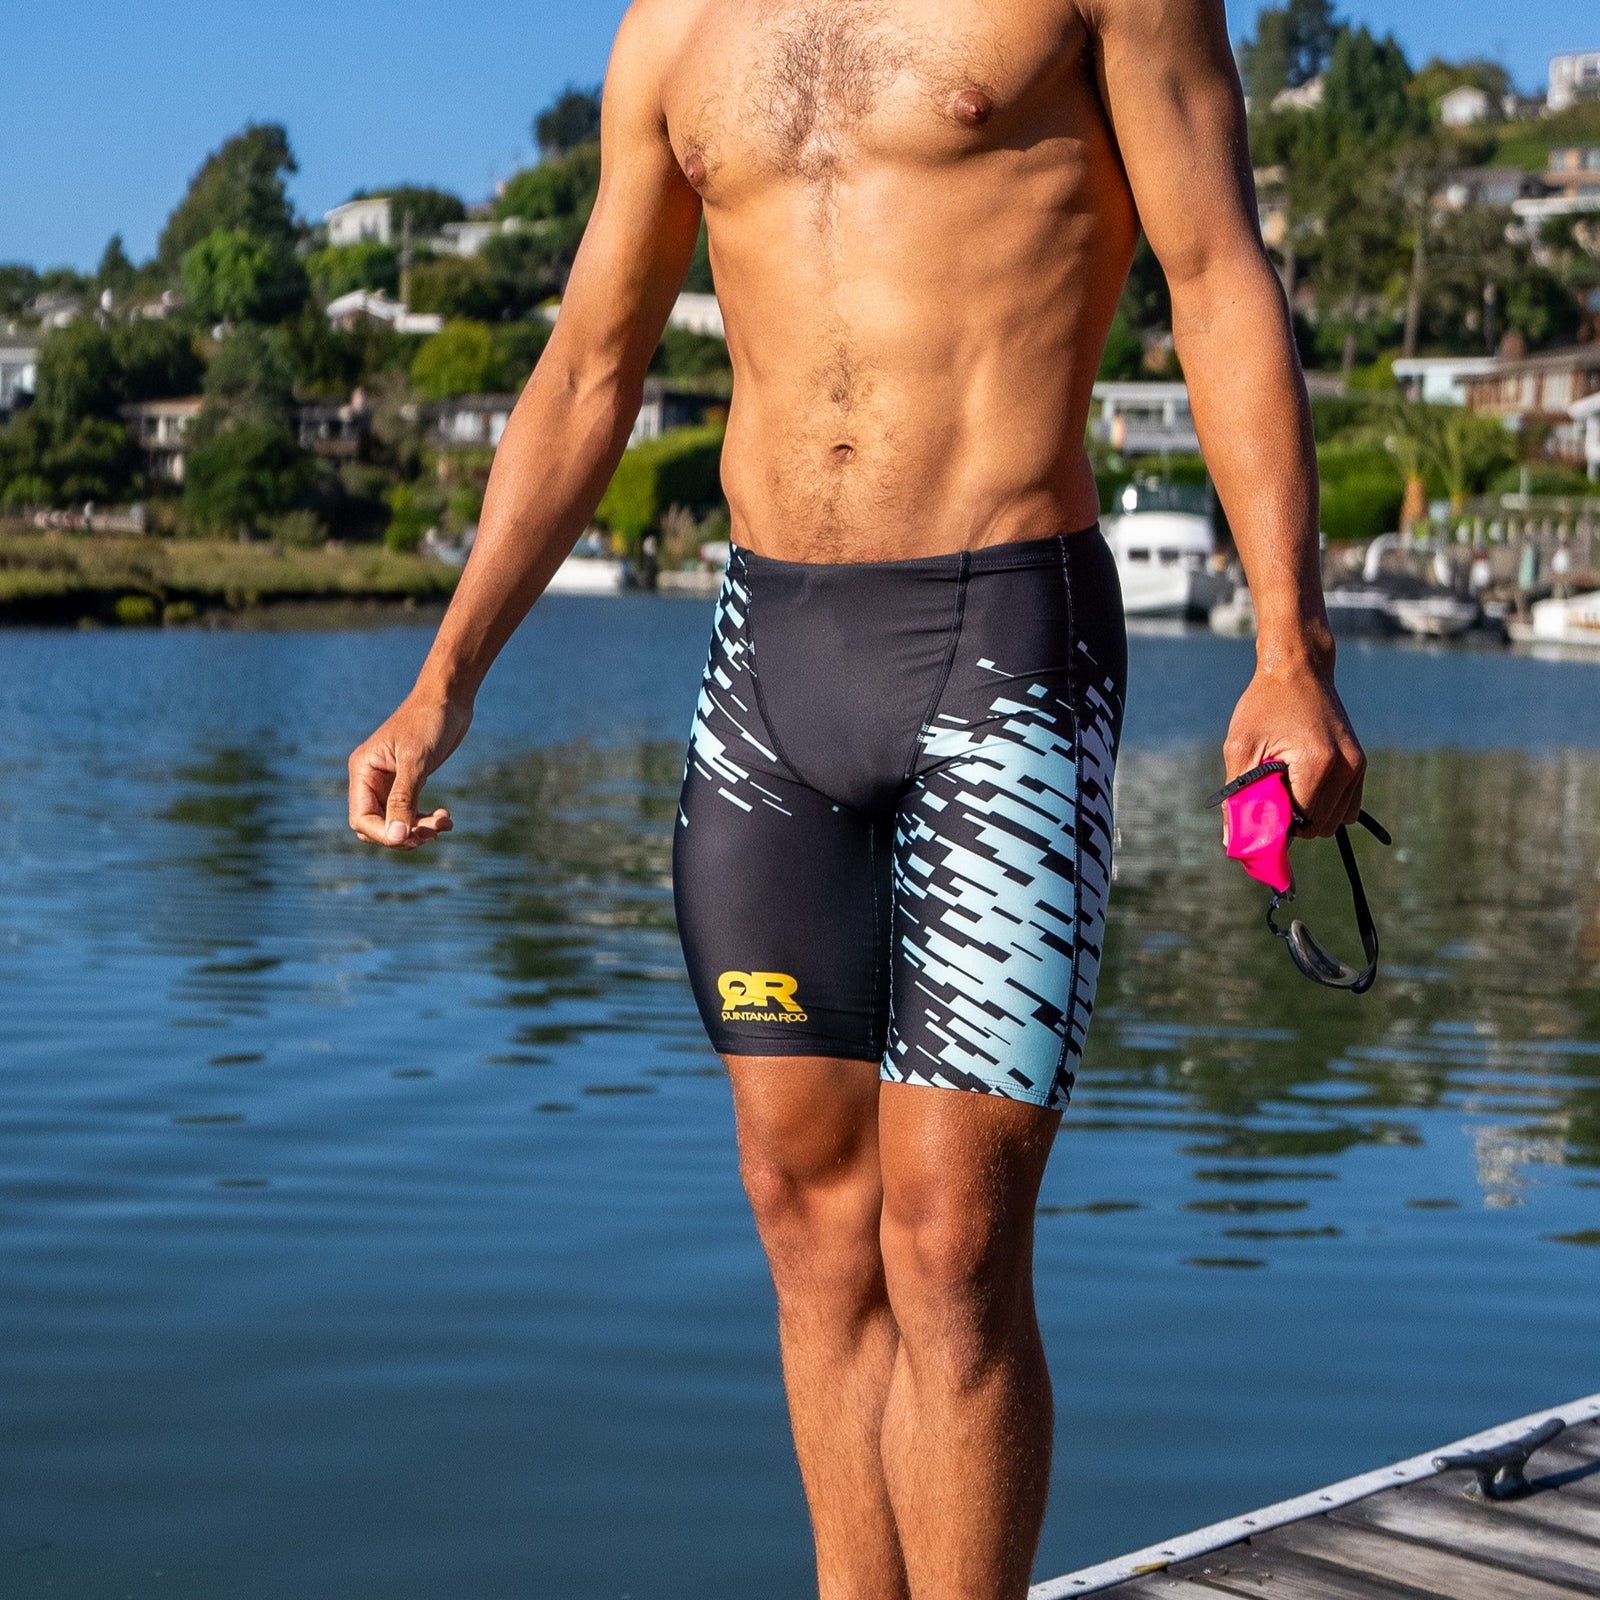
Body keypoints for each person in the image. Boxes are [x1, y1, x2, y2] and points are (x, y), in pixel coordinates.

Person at [346, 2, 1367, 1595]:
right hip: (767, 663)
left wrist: (1290, 645)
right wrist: (446, 674)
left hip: (1003, 643)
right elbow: (592, 365)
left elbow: (1219, 274)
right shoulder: (673, 33)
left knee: (951, 1242)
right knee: (808, 1223)